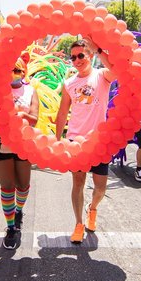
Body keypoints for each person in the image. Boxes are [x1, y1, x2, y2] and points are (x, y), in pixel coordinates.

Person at [55, 38, 114, 244]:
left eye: (81, 55)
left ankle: (93, 208)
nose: (77, 60)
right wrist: (57, 140)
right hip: (75, 140)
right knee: (78, 182)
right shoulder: (69, 83)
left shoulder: (102, 76)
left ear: (89, 55)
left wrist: (98, 48)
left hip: (99, 141)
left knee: (100, 188)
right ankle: (78, 223)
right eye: (73, 57)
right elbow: (62, 112)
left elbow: (117, 70)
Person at [0, 56, 39, 249]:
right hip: (0, 144)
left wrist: (21, 115)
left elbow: (34, 119)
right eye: (10, 69)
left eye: (18, 70)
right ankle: (11, 228)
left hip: (23, 143)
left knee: (23, 186)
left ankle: (18, 211)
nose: (14, 74)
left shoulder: (31, 91)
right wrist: (1, 114)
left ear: (23, 72)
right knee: (7, 187)